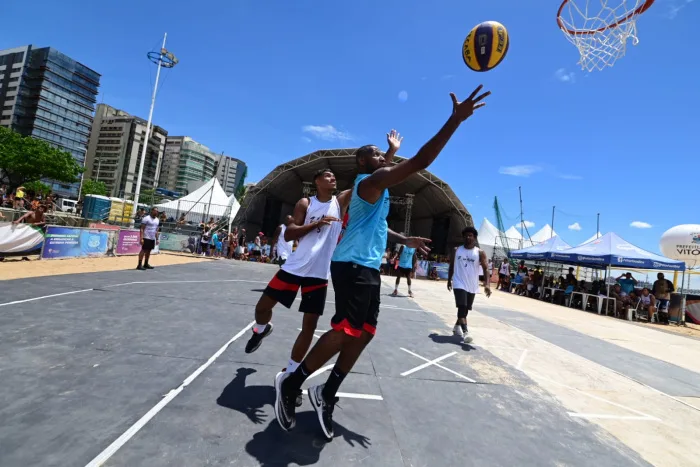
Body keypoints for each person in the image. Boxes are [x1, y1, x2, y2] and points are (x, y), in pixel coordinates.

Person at [274, 88, 490, 439]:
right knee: (346, 329)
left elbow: (376, 225)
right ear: (364, 162)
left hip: (367, 267)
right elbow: (420, 161)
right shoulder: (370, 181)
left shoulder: (375, 188)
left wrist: (404, 239)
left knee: (365, 333)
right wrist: (454, 120)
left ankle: (326, 393)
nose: (384, 156)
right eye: (377, 153)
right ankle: (292, 382)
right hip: (352, 266)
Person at [447, 226, 491, 344]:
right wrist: (449, 280)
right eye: (466, 235)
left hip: (472, 285)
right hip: (458, 282)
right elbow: (451, 266)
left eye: (470, 235)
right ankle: (466, 332)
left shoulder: (480, 252)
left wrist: (487, 285)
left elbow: (486, 269)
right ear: (463, 237)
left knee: (466, 309)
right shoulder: (456, 250)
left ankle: (457, 327)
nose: (468, 237)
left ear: (475, 238)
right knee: (462, 307)